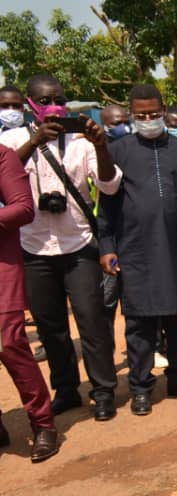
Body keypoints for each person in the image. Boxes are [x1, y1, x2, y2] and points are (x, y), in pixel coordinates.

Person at [0, 73, 121, 421]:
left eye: (59, 99)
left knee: (91, 321)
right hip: (34, 248)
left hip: (78, 244)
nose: (54, 106)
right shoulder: (11, 140)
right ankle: (66, 388)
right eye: (45, 100)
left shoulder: (81, 140)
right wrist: (34, 141)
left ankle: (103, 391)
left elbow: (110, 187)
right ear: (30, 104)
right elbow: (3, 180)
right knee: (50, 326)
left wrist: (100, 145)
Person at [98, 84, 177, 416]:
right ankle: (140, 387)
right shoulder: (118, 151)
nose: (149, 120)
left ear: (163, 110)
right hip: (135, 252)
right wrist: (107, 246)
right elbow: (106, 206)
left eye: (154, 114)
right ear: (131, 115)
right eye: (141, 116)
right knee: (139, 325)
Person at [0, 143, 59, 461]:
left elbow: (23, 207)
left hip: (1, 265)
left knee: (9, 344)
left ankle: (43, 423)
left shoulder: (3, 156)